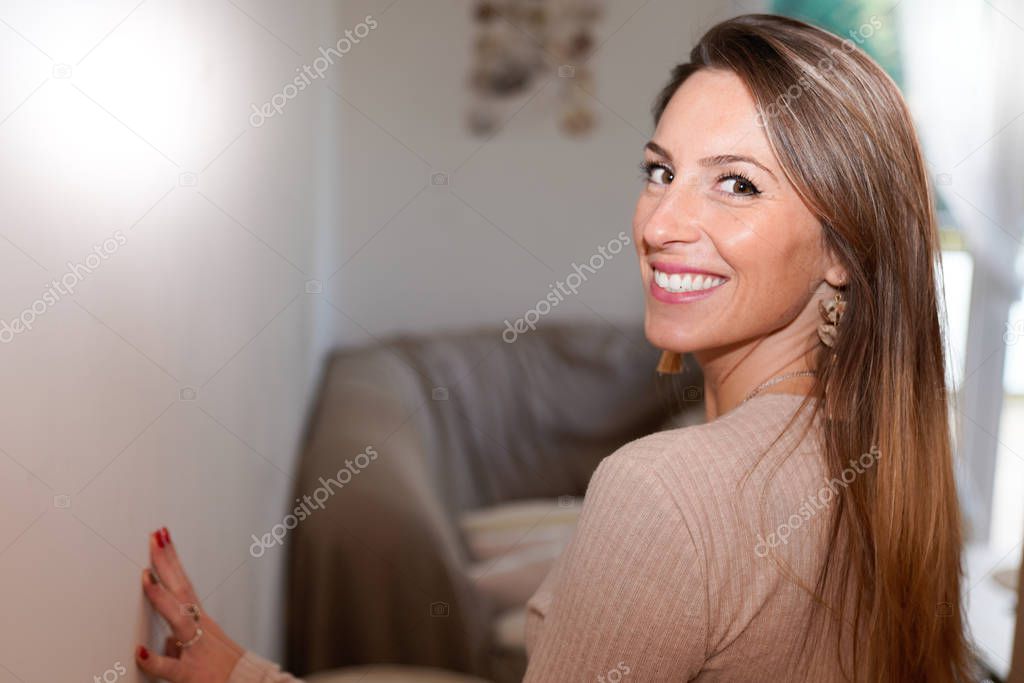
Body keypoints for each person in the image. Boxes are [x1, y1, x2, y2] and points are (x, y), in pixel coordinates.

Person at [133, 13, 977, 682]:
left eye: (737, 184)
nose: (662, 223)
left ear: (841, 249)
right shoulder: (895, 461)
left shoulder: (661, 493)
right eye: (659, 170)